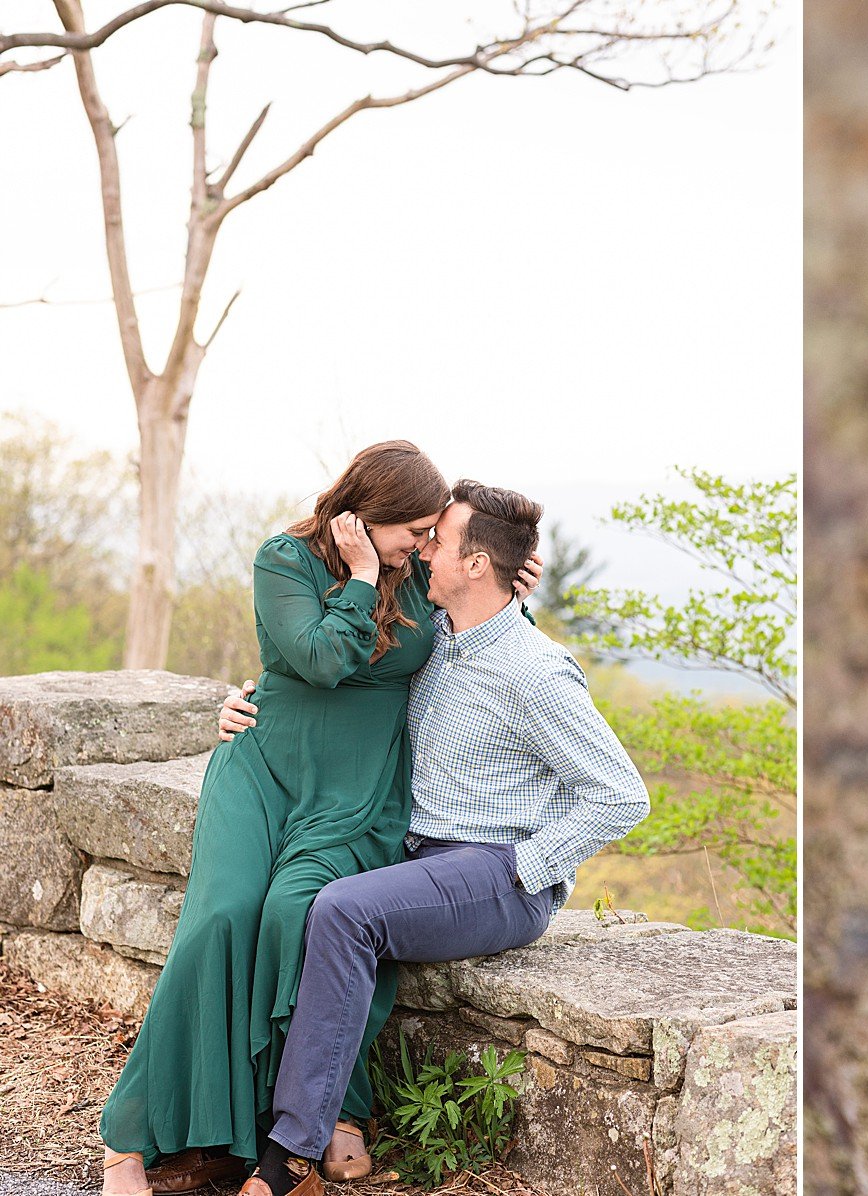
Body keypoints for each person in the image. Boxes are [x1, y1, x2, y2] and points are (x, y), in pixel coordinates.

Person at [98, 443, 543, 1196]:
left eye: (435, 535)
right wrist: (362, 577)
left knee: (299, 914)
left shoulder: (420, 581)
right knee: (221, 919)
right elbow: (320, 660)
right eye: (414, 532)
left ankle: (316, 1115)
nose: (425, 545)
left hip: (359, 791)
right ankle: (129, 1141)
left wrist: (510, 589)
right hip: (264, 770)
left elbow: (479, 643)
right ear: (365, 519)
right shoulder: (284, 559)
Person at [215, 479, 650, 1196]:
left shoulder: (536, 672)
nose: (422, 553)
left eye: (438, 543)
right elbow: (341, 679)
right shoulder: (436, 641)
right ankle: (296, 1118)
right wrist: (240, 701)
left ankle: (289, 1157)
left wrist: (527, 866)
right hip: (418, 858)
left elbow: (620, 794)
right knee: (300, 899)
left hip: (493, 871)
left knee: (344, 911)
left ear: (476, 566)